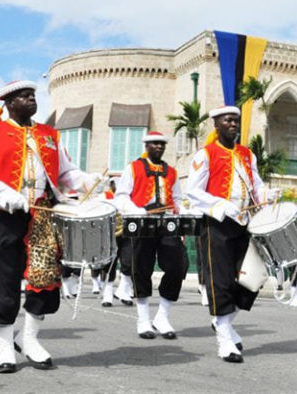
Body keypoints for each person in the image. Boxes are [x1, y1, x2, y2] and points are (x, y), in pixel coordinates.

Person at [0, 80, 105, 373]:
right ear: (9, 102)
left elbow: (66, 172)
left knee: (43, 278)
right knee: (1, 280)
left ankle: (29, 339)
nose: (31, 99)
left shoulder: (48, 134)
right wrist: (7, 197)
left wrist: (89, 181)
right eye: (24, 96)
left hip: (41, 214)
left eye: (33, 95)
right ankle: (5, 346)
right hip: (1, 214)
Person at [186, 105, 277, 364]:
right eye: (228, 120)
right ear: (217, 125)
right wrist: (221, 206)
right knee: (222, 280)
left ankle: (222, 321)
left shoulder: (248, 155)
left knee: (253, 277)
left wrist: (266, 196)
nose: (234, 124)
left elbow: (256, 184)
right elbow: (193, 190)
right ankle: (225, 338)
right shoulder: (206, 154)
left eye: (236, 120)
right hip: (218, 224)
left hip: (246, 222)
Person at [114, 131, 187, 339]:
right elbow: (121, 196)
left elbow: (178, 199)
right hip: (141, 222)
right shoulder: (133, 167)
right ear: (146, 146)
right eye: (155, 144)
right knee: (141, 268)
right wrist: (136, 210)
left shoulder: (171, 172)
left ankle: (162, 316)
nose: (159, 147)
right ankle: (143, 319)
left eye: (162, 144)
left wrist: (181, 215)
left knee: (177, 266)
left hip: (167, 223)